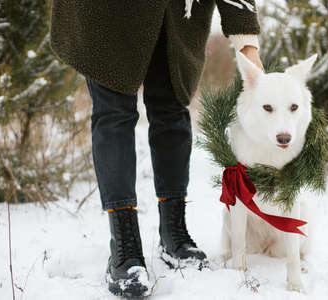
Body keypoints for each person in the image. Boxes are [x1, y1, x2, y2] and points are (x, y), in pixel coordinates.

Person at [50, 0, 264, 298]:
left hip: (175, 12)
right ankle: (125, 246)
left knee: (172, 110)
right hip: (105, 12)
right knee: (114, 113)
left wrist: (246, 43)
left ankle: (173, 231)